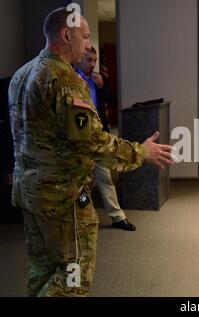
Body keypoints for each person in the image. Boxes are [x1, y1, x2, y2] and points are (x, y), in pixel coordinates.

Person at [8, 8, 174, 296]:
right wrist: (140, 153)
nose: (88, 45)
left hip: (30, 194)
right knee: (73, 277)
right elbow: (92, 142)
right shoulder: (65, 79)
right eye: (85, 37)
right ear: (65, 34)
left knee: (42, 270)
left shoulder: (21, 75)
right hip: (64, 201)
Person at [76, 48, 135, 231]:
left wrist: (103, 87)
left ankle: (118, 218)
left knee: (106, 178)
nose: (92, 64)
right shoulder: (70, 78)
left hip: (99, 137)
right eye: (89, 60)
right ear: (80, 59)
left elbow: (113, 102)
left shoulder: (100, 79)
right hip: (78, 139)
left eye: (94, 60)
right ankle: (79, 220)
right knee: (79, 182)